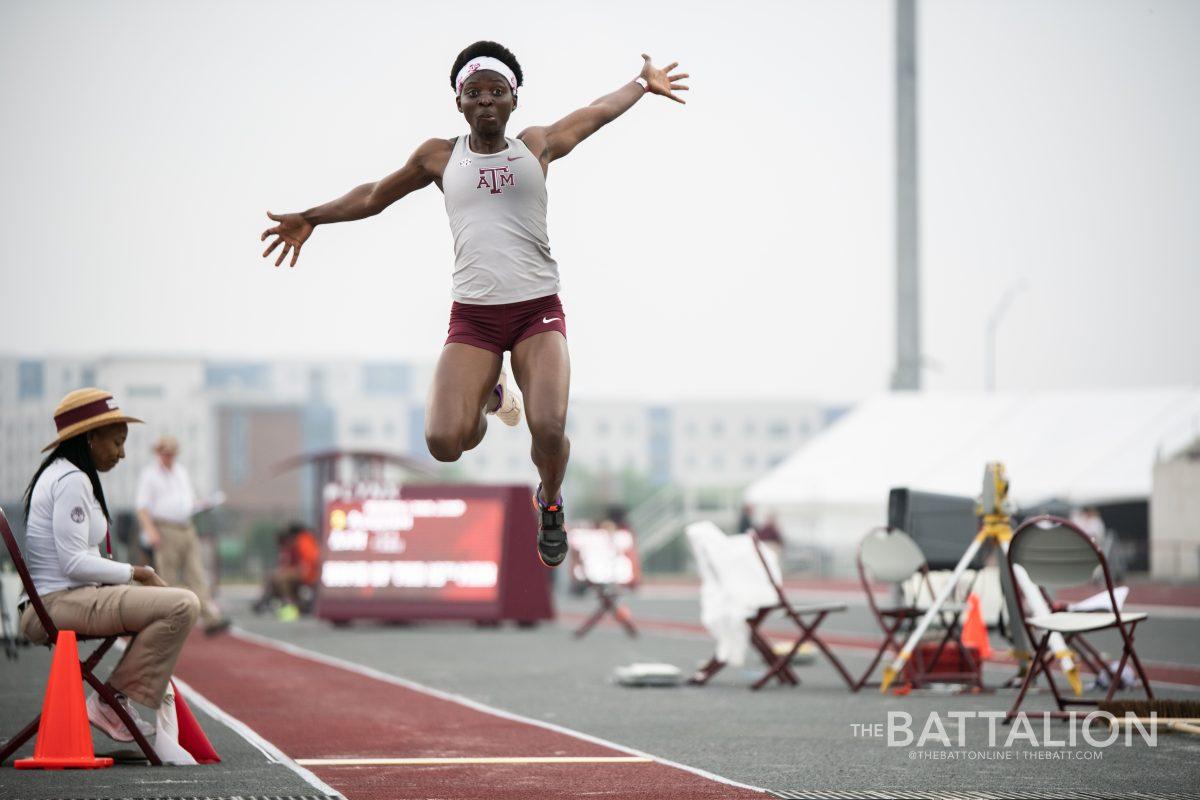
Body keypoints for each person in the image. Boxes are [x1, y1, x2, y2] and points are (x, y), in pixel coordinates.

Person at [261, 42, 688, 568]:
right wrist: (313, 216)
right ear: (459, 102)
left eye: (497, 92)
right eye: (474, 93)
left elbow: (596, 113)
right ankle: (491, 396)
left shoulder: (536, 145)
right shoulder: (439, 157)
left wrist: (643, 84)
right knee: (444, 442)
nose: (486, 100)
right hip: (475, 319)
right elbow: (374, 195)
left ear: (513, 100)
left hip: (537, 312)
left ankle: (550, 501)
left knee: (549, 427)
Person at [18, 388, 200, 741]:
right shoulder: (71, 480)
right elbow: (73, 562)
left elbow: (80, 559)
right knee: (182, 604)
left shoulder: (69, 474)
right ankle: (111, 700)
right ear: (90, 437)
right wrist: (137, 573)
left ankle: (114, 698)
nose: (122, 453)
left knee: (174, 602)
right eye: (116, 442)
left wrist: (125, 580)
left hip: (67, 598)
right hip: (56, 605)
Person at [136, 435, 230, 634]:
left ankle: (210, 618)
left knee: (197, 574)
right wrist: (151, 530)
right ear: (159, 453)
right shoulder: (150, 474)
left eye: (171, 453)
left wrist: (205, 503)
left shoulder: (181, 472)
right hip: (166, 528)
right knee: (167, 576)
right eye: (165, 453)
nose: (168, 456)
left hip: (187, 526)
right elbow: (142, 507)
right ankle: (167, 619)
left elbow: (188, 502)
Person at [254, 522, 321, 621]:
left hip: (310, 574)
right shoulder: (295, 544)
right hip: (304, 573)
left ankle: (290, 604)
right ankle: (269, 601)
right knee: (274, 577)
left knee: (282, 578)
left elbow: (311, 560)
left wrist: (301, 570)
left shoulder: (303, 540)